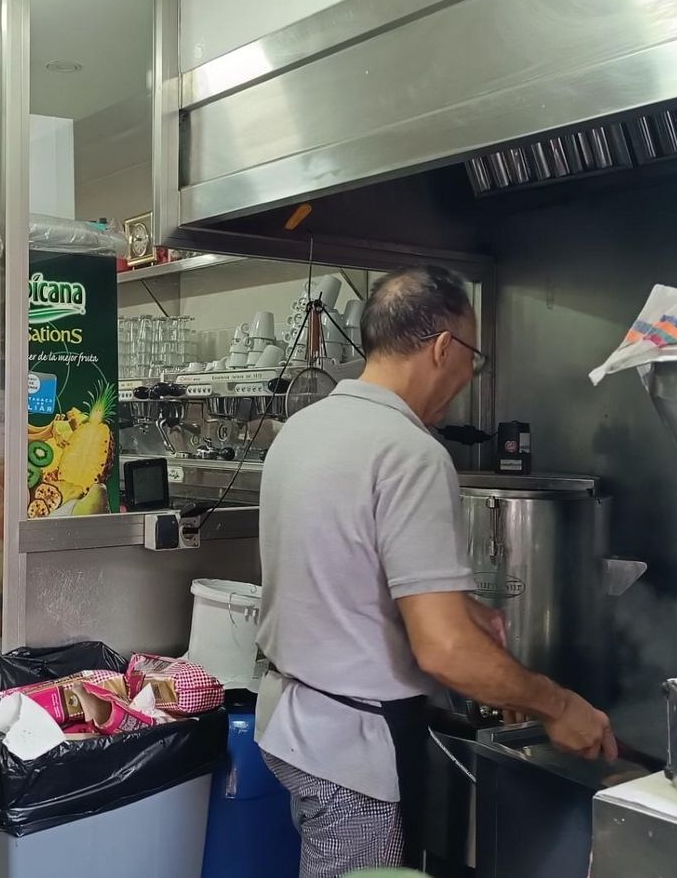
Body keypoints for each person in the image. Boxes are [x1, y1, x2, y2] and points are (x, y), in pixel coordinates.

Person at [255, 266, 616, 877]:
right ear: (444, 347)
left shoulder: (303, 428)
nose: (467, 377)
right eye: (472, 357)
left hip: (292, 719)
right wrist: (556, 705)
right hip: (352, 749)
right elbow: (446, 653)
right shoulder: (411, 453)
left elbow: (335, 569)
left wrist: (455, 603)